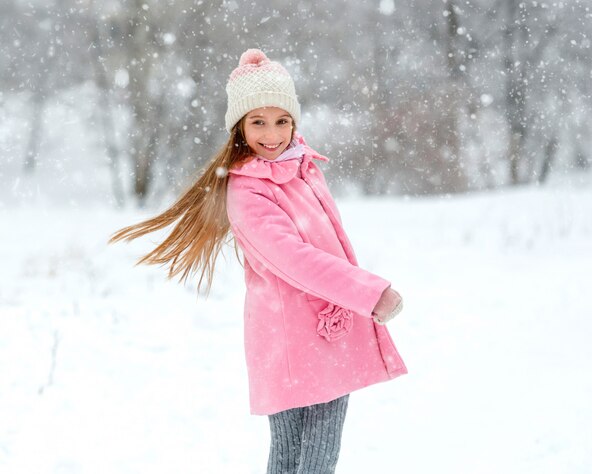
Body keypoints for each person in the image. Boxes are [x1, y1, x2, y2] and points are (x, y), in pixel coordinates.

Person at [109, 48, 407, 474]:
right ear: (240, 127)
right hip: (292, 339)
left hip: (323, 329)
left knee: (296, 460)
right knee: (306, 460)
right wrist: (370, 292)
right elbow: (295, 259)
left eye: (282, 120)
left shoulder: (302, 168)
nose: (273, 134)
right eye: (258, 122)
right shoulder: (248, 191)